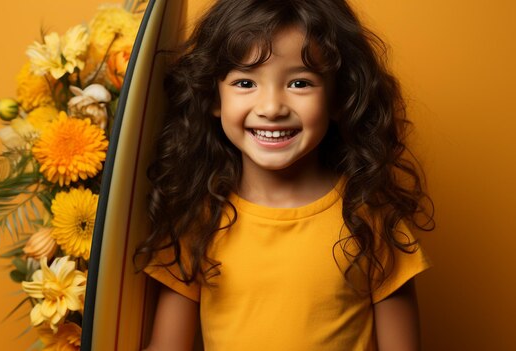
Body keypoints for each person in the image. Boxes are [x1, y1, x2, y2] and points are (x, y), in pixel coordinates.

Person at [135, 0, 434, 350]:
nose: (272, 107)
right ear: (212, 98)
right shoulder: (197, 221)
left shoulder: (370, 218)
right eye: (245, 82)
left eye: (300, 83)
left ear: (340, 98)